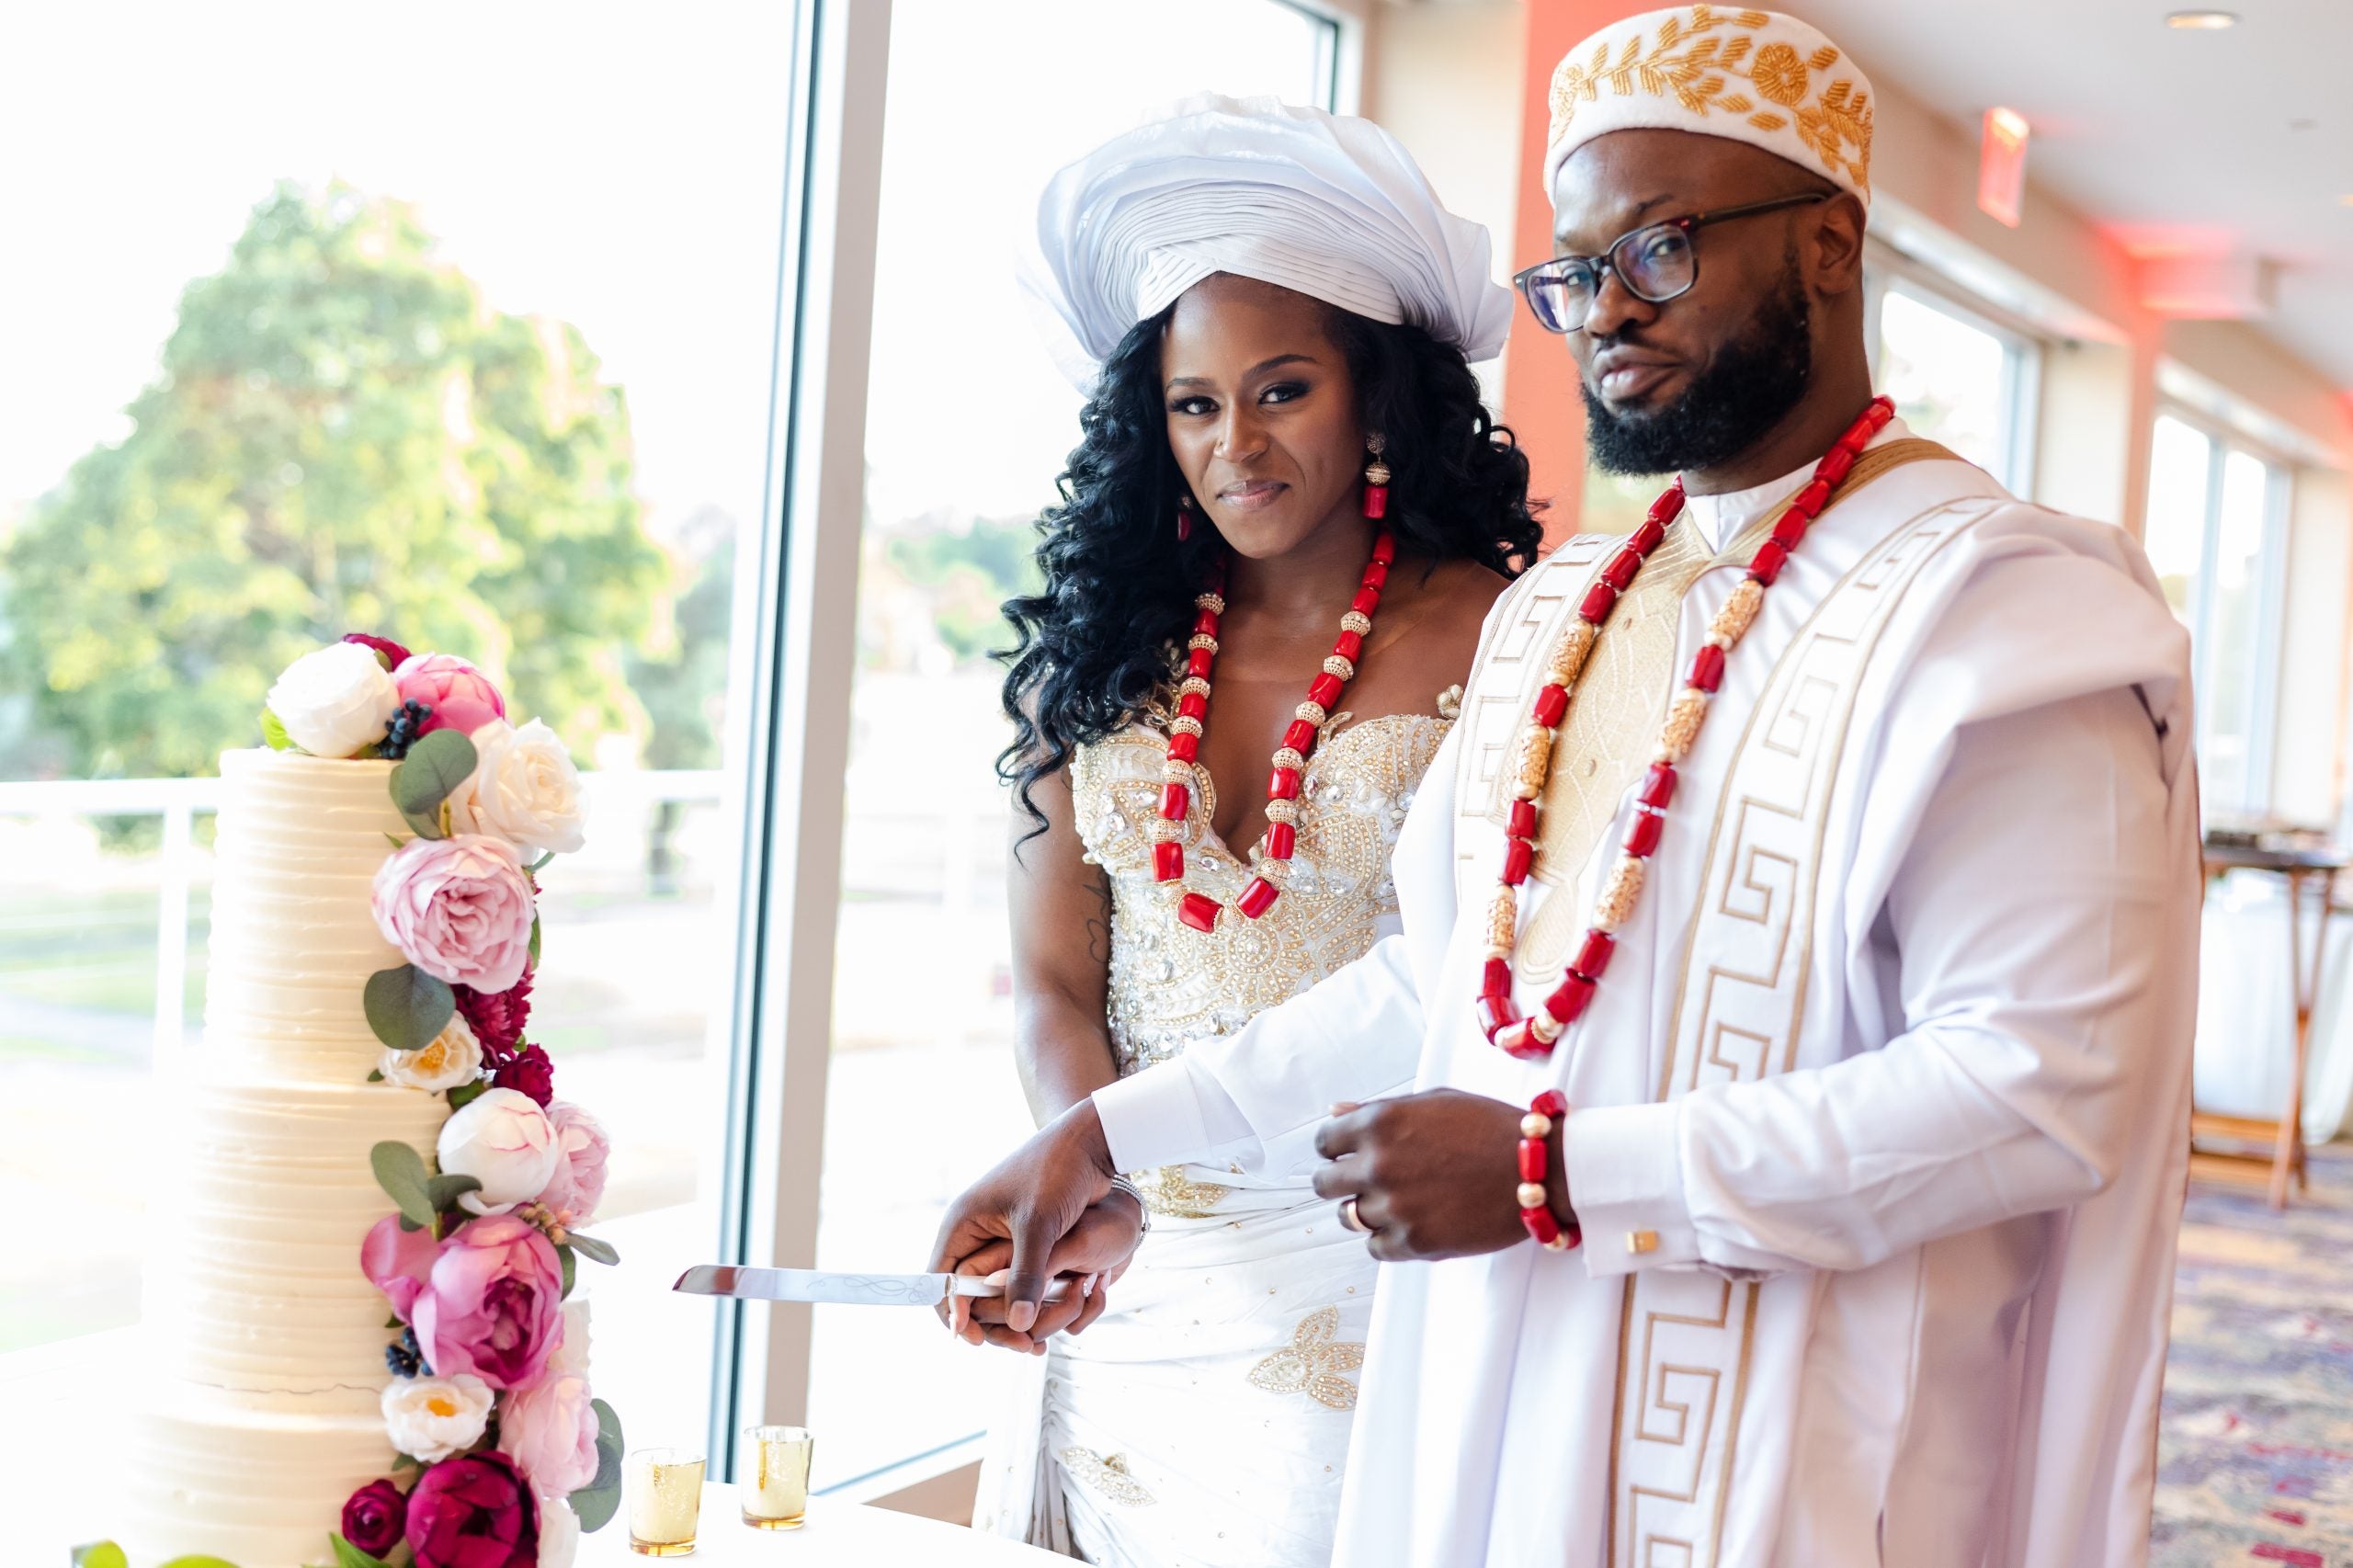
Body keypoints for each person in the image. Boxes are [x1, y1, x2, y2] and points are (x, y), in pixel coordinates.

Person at [934, 12, 2202, 1567]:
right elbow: (1441, 979)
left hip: (1798, 1444)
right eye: (1574, 271)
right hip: (1500, 1403)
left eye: (1660, 251)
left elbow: (2036, 1087)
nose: (1605, 310)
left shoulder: (1993, 611)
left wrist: (1554, 1173)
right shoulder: (1568, 610)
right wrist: (1111, 1134)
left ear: (1828, 242)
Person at [952, 96, 1540, 1567]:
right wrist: (1098, 1176)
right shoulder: (1099, 654)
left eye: (1282, 390)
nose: (1237, 445)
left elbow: (1460, 978)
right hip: (1125, 1256)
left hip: (1372, 1267)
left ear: (1378, 394)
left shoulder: (1508, 636)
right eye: (1195, 403)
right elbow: (1051, 982)